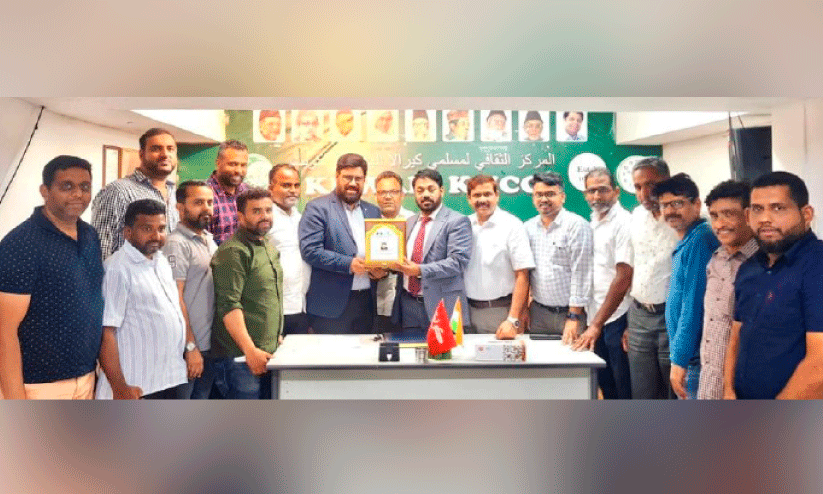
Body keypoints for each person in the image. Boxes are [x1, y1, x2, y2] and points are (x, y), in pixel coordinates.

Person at [0, 156, 103, 399]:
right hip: (38, 386)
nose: (78, 194)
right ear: (45, 191)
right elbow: (4, 331)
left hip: (86, 378)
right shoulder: (20, 244)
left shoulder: (90, 236)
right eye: (67, 186)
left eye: (85, 187)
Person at [725, 172, 823, 399]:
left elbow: (819, 363)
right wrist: (727, 389)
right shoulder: (749, 267)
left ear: (806, 214)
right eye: (757, 209)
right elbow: (737, 333)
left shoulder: (817, 266)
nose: (765, 218)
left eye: (778, 208)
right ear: (747, 215)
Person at [96, 199, 188, 399]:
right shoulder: (117, 269)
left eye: (161, 229)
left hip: (170, 378)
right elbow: (106, 332)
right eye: (147, 229)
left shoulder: (161, 262)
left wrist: (190, 347)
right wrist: (119, 387)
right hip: (136, 385)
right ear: (128, 232)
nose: (156, 236)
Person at [211, 188, 283, 399]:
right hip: (240, 359)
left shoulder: (267, 246)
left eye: (268, 210)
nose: (265, 216)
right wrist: (250, 351)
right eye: (256, 211)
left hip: (266, 353)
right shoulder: (233, 252)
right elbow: (229, 306)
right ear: (240, 216)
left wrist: (274, 336)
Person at [299, 153, 382, 334]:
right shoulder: (317, 208)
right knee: (332, 353)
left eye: (358, 178)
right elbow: (310, 251)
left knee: (365, 352)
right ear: (337, 176)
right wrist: (349, 264)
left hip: (366, 304)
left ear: (364, 180)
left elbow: (380, 251)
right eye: (347, 177)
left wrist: (381, 271)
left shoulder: (373, 211)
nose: (353, 183)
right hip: (330, 307)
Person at [654, 173, 719, 399]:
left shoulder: (700, 241)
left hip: (696, 359)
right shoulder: (689, 239)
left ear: (697, 204)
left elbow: (693, 304)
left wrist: (679, 359)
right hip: (691, 356)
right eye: (665, 205)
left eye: (677, 203)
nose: (670, 211)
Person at [570, 168, 632, 399]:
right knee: (606, 385)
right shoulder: (593, 221)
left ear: (616, 191)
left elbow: (624, 276)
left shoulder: (624, 223)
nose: (596, 196)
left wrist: (596, 325)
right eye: (591, 191)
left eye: (603, 190)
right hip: (595, 314)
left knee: (623, 387)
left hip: (618, 316)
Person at [390, 169, 472, 334]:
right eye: (420, 190)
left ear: (441, 190)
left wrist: (419, 270)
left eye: (431, 189)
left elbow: (457, 262)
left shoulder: (457, 221)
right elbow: (402, 258)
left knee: (446, 350)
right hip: (408, 305)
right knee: (411, 349)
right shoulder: (409, 222)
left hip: (443, 305)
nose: (425, 194)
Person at [697, 180, 757, 399]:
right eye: (714, 216)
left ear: (748, 216)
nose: (719, 224)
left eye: (729, 214)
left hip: (741, 386)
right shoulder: (716, 260)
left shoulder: (764, 265)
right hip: (709, 379)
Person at [626, 157, 679, 399]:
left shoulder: (685, 218)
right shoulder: (636, 216)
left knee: (673, 390)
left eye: (650, 185)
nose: (644, 193)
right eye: (638, 187)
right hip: (639, 316)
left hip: (672, 316)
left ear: (667, 181)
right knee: (642, 391)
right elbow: (631, 267)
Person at [162, 181, 218, 399]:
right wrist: (190, 346)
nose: (206, 208)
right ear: (180, 207)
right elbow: (174, 298)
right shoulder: (176, 244)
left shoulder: (208, 240)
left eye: (210, 202)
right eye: (198, 202)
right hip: (186, 348)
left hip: (208, 344)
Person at [92, 128, 179, 260]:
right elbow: (101, 249)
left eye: (170, 149)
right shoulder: (117, 191)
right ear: (141, 154)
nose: (165, 154)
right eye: (156, 149)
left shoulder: (175, 194)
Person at [464, 175, 534, 339]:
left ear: (497, 196)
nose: (482, 199)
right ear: (469, 199)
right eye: (477, 195)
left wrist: (513, 319)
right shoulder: (463, 225)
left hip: (501, 313)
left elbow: (522, 275)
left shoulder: (512, 225)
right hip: (467, 312)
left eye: (487, 194)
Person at [524, 172, 593, 339]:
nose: (544, 199)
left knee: (571, 355)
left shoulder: (577, 226)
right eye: (539, 194)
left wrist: (574, 316)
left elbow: (582, 274)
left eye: (550, 194)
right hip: (538, 314)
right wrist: (524, 309)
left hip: (569, 315)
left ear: (562, 197)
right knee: (537, 355)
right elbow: (525, 272)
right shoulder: (528, 228)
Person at [268, 164, 311, 336]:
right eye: (286, 185)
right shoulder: (264, 218)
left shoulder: (302, 218)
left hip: (301, 307)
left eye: (296, 185)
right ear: (270, 188)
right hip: (274, 309)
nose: (293, 190)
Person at [373, 171, 415, 334]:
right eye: (382, 192)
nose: (388, 197)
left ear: (402, 195)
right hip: (373, 305)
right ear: (376, 196)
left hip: (406, 306)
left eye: (393, 192)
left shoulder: (415, 221)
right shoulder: (368, 222)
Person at [207, 140, 250, 245]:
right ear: (218, 163)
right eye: (233, 164)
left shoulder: (247, 192)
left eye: (243, 165)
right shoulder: (205, 195)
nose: (238, 170)